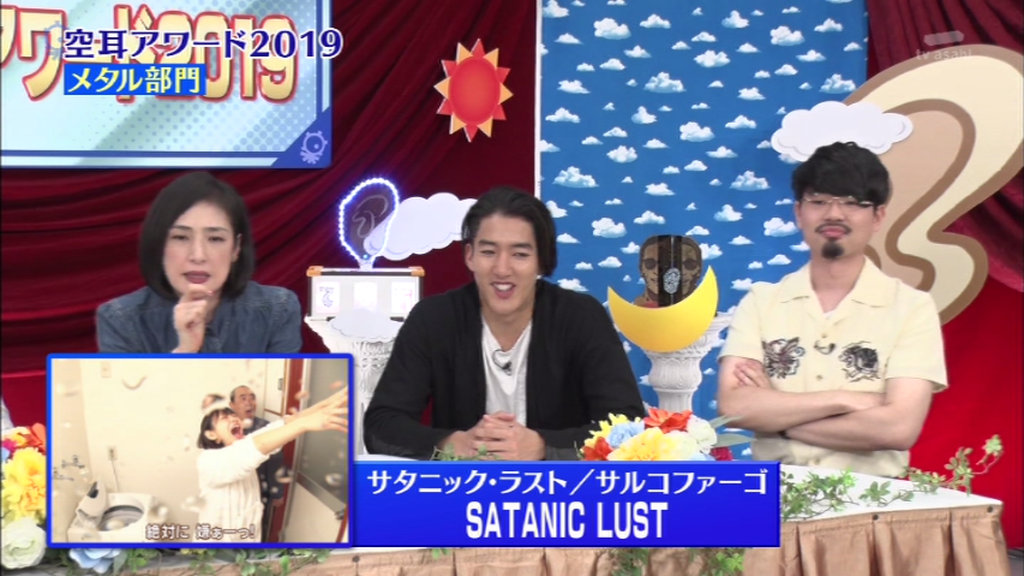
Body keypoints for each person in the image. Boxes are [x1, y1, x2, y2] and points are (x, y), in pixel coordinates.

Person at [363, 186, 645, 461]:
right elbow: (380, 425)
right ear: (470, 256)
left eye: (520, 254)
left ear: (541, 261)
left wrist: (544, 447)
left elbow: (627, 424)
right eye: (488, 252)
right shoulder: (434, 318)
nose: (502, 269)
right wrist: (452, 444)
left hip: (559, 490)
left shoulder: (581, 317)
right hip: (463, 486)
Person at [716, 142, 947, 477]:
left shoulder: (912, 308)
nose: (834, 214)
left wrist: (778, 420)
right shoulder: (761, 302)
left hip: (873, 498)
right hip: (776, 495)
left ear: (878, 216)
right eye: (819, 201)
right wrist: (843, 399)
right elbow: (735, 407)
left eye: (852, 203)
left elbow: (898, 429)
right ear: (799, 212)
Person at [96, 172, 302, 353]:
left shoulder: (278, 308)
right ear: (159, 244)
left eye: (215, 239)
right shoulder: (120, 319)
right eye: (180, 237)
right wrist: (185, 350)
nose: (198, 255)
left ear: (236, 248)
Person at [195, 389, 347, 543]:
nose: (233, 419)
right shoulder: (209, 460)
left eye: (233, 415)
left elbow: (287, 423)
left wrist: (329, 403)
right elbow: (257, 446)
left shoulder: (244, 442)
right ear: (212, 435)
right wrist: (304, 424)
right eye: (224, 418)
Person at [229, 385, 285, 542]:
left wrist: (277, 493)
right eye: (243, 398)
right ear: (232, 405)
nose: (249, 402)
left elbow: (276, 462)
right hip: (233, 491)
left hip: (259, 491)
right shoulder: (225, 427)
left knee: (256, 530)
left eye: (252, 398)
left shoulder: (265, 428)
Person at [633, 235, 702, 307]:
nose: (657, 270)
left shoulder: (705, 305)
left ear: (699, 269)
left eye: (690, 264)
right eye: (650, 263)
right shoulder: (636, 307)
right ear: (641, 269)